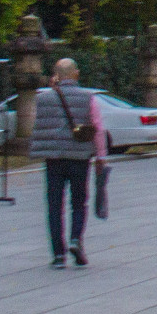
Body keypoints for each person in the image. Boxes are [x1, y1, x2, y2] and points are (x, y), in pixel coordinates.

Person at [33, 57, 107, 265]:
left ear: (56, 75)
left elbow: (43, 125)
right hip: (79, 157)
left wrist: (53, 87)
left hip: (54, 157)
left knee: (54, 205)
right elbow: (98, 128)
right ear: (76, 73)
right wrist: (101, 156)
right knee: (78, 202)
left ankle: (58, 255)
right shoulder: (88, 98)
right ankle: (75, 239)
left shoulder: (43, 98)